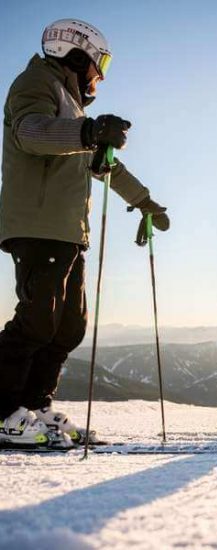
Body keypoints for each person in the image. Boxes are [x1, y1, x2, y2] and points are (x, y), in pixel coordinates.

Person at [0, 19, 169, 448]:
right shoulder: (35, 82)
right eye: (100, 63)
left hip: (68, 231)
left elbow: (105, 164)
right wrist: (86, 131)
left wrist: (145, 201)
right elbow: (30, 133)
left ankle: (36, 408)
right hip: (37, 224)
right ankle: (2, 412)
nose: (100, 75)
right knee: (38, 320)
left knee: (68, 327)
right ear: (76, 53)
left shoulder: (75, 110)